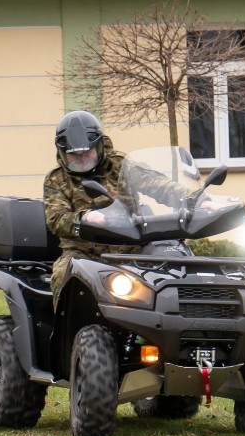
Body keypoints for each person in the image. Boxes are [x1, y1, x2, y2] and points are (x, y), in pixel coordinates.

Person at [44, 111, 200, 308]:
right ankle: (67, 326)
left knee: (175, 265)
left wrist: (196, 200)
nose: (81, 158)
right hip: (84, 252)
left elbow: (157, 184)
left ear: (98, 146)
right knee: (63, 273)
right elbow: (56, 218)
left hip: (132, 247)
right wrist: (85, 218)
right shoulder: (56, 179)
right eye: (74, 154)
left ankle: (186, 316)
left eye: (87, 152)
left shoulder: (120, 165)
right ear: (62, 152)